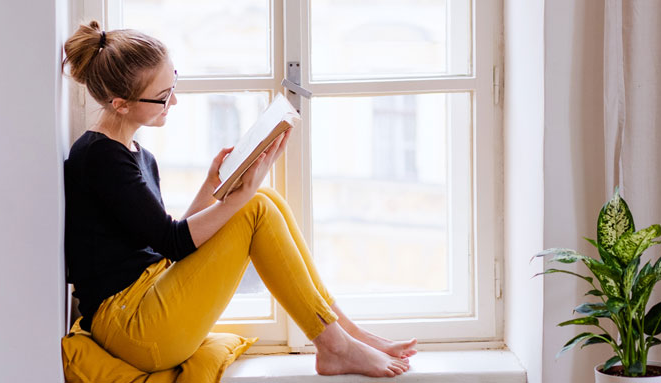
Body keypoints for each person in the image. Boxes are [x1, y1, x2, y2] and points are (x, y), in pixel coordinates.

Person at [61, 21, 418, 378]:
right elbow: (173, 241)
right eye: (163, 95)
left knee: (266, 198)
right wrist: (237, 198)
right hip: (132, 328)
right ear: (121, 105)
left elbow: (161, 243)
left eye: (174, 84)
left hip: (144, 301)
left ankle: (347, 333)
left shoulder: (134, 153)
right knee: (256, 205)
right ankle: (335, 345)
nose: (175, 101)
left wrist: (211, 184)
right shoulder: (99, 157)